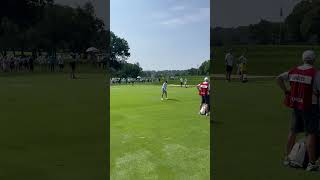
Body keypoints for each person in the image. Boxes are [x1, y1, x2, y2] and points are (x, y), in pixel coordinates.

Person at [277, 50, 320, 171]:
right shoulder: (315, 73)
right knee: (311, 134)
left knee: (293, 131)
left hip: (296, 105)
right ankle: (311, 163)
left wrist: (286, 91)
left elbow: (279, 78)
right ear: (313, 60)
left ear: (303, 59)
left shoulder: (294, 70)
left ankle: (287, 158)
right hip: (311, 107)